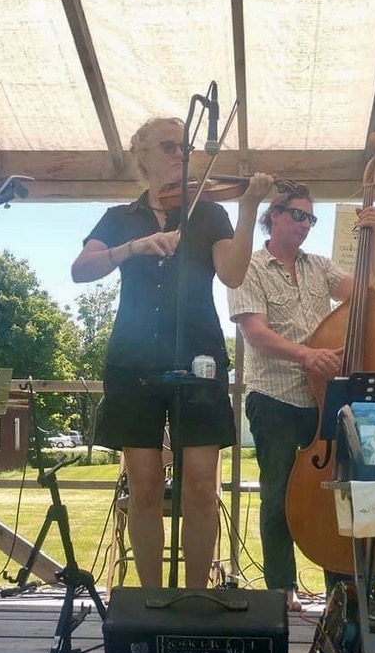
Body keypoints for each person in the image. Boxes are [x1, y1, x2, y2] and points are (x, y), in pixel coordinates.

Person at [72, 116, 268, 589]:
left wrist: (247, 210)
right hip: (132, 359)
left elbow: (234, 274)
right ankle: (152, 599)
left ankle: (198, 597)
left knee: (201, 485)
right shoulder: (120, 218)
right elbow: (81, 269)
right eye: (168, 146)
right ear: (141, 154)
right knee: (142, 486)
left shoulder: (208, 213)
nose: (181, 154)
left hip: (198, 354)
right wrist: (132, 248)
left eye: (186, 147)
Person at [228, 184, 375, 610]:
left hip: (322, 397)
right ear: (273, 216)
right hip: (273, 397)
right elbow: (255, 334)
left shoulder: (319, 266)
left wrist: (371, 238)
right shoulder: (249, 266)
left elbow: (367, 294)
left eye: (310, 219)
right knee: (277, 495)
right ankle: (281, 590)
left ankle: (342, 589)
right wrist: (307, 355)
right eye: (298, 216)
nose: (305, 225)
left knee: (332, 492)